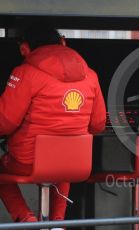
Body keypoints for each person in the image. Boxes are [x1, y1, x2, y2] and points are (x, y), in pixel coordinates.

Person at [0, 23, 106, 224]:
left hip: (27, 162)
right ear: (63, 42)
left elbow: (5, 122)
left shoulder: (25, 73)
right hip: (75, 163)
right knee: (63, 163)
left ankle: (26, 218)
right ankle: (57, 223)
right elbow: (98, 124)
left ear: (25, 48)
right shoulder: (90, 75)